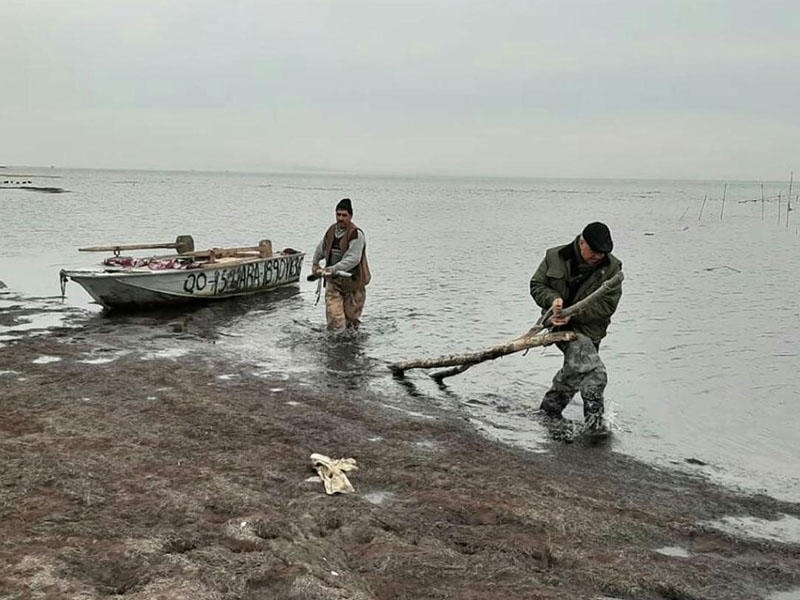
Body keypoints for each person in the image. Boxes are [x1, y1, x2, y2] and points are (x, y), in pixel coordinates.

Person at [529, 222, 623, 433]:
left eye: (603, 253)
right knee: (595, 373)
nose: (599, 256)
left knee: (577, 368)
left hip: (591, 331)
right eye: (595, 251)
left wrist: (571, 312)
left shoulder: (613, 269)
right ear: (582, 242)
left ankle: (549, 411)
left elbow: (608, 306)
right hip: (556, 326)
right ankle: (595, 425)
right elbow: (536, 286)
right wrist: (553, 302)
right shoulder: (554, 256)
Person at [311, 198, 371, 332]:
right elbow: (322, 248)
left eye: (344, 215)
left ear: (350, 216)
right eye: (338, 214)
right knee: (335, 319)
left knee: (351, 321)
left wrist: (333, 268)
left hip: (353, 283)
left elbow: (353, 259)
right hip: (334, 282)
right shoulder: (331, 231)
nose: (340, 218)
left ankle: (350, 347)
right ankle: (333, 345)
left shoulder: (356, 234)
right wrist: (315, 264)